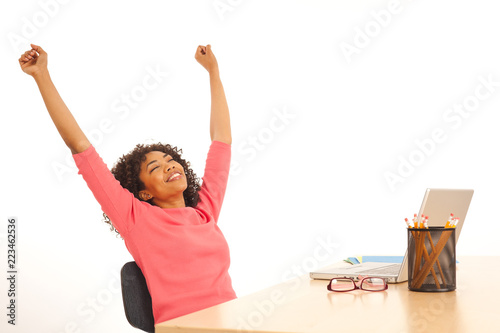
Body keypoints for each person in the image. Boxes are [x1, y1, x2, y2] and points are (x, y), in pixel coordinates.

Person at [19, 43, 237, 325]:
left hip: (236, 322)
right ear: (143, 191)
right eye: (155, 167)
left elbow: (222, 140)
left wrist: (213, 72)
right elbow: (80, 146)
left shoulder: (205, 212)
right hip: (184, 329)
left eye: (170, 159)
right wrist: (42, 75)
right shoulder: (135, 218)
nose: (170, 164)